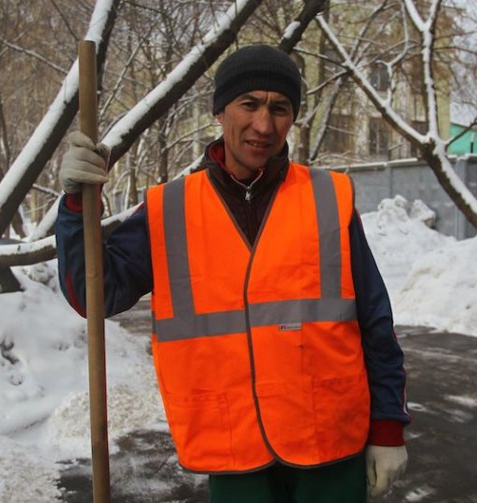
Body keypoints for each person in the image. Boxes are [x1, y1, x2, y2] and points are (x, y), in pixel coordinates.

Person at [55, 44, 410, 502]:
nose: (264, 125)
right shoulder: (172, 209)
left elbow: (375, 322)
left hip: (331, 447)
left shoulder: (327, 198)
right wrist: (75, 205)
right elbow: (94, 295)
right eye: (249, 104)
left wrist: (387, 429)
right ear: (220, 112)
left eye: (279, 108)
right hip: (232, 450)